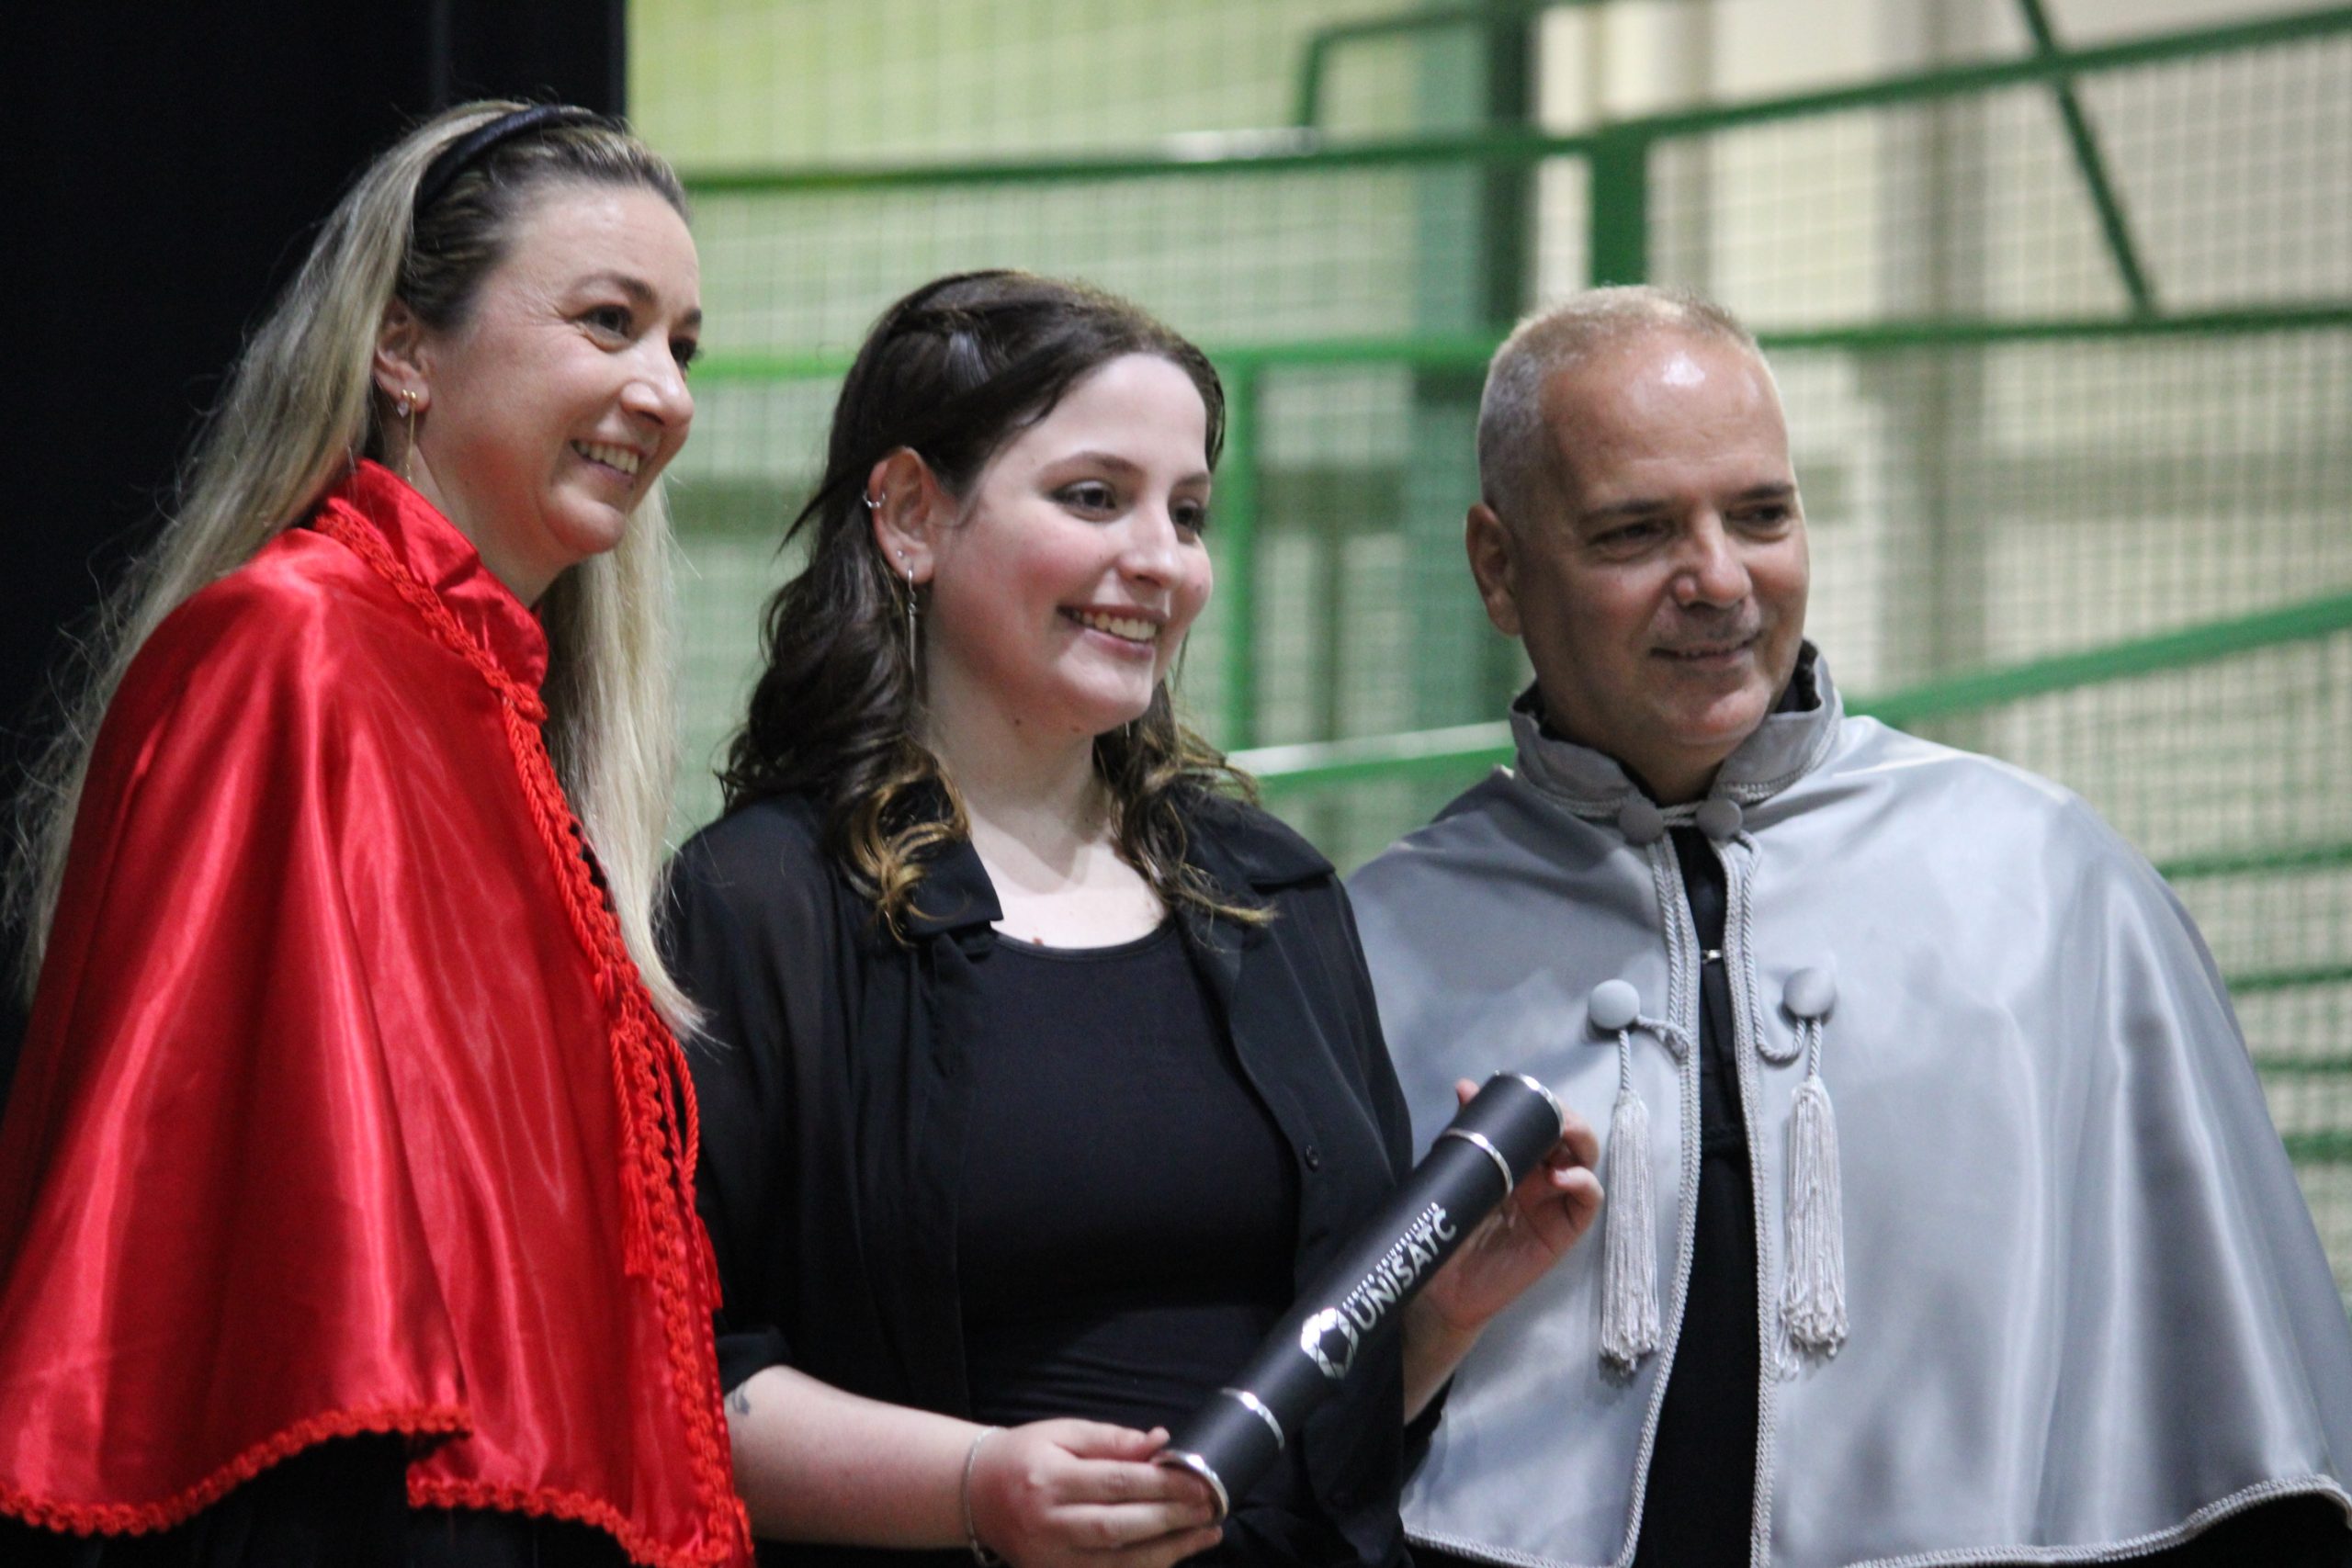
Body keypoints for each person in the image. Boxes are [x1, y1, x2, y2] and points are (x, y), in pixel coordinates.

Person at [1348, 286, 2352, 1567]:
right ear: (1499, 567)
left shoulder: (2054, 885)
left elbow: (2242, 1427)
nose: (1719, 580)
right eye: (1636, 531)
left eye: (1761, 515)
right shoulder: (1375, 943)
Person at [661, 269, 1603, 1568]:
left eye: (1188, 512)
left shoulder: (1267, 888)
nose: (1162, 560)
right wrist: (975, 1488)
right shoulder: (756, 903)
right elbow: (675, 1379)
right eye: (1094, 497)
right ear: (913, 515)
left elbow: (1301, 1437)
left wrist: (1432, 1320)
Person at [0, 102, 751, 1567]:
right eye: (609, 323)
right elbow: (206, 1227)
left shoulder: (490, 698)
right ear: (404, 350)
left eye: (683, 346)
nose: (663, 392)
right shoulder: (289, 645)